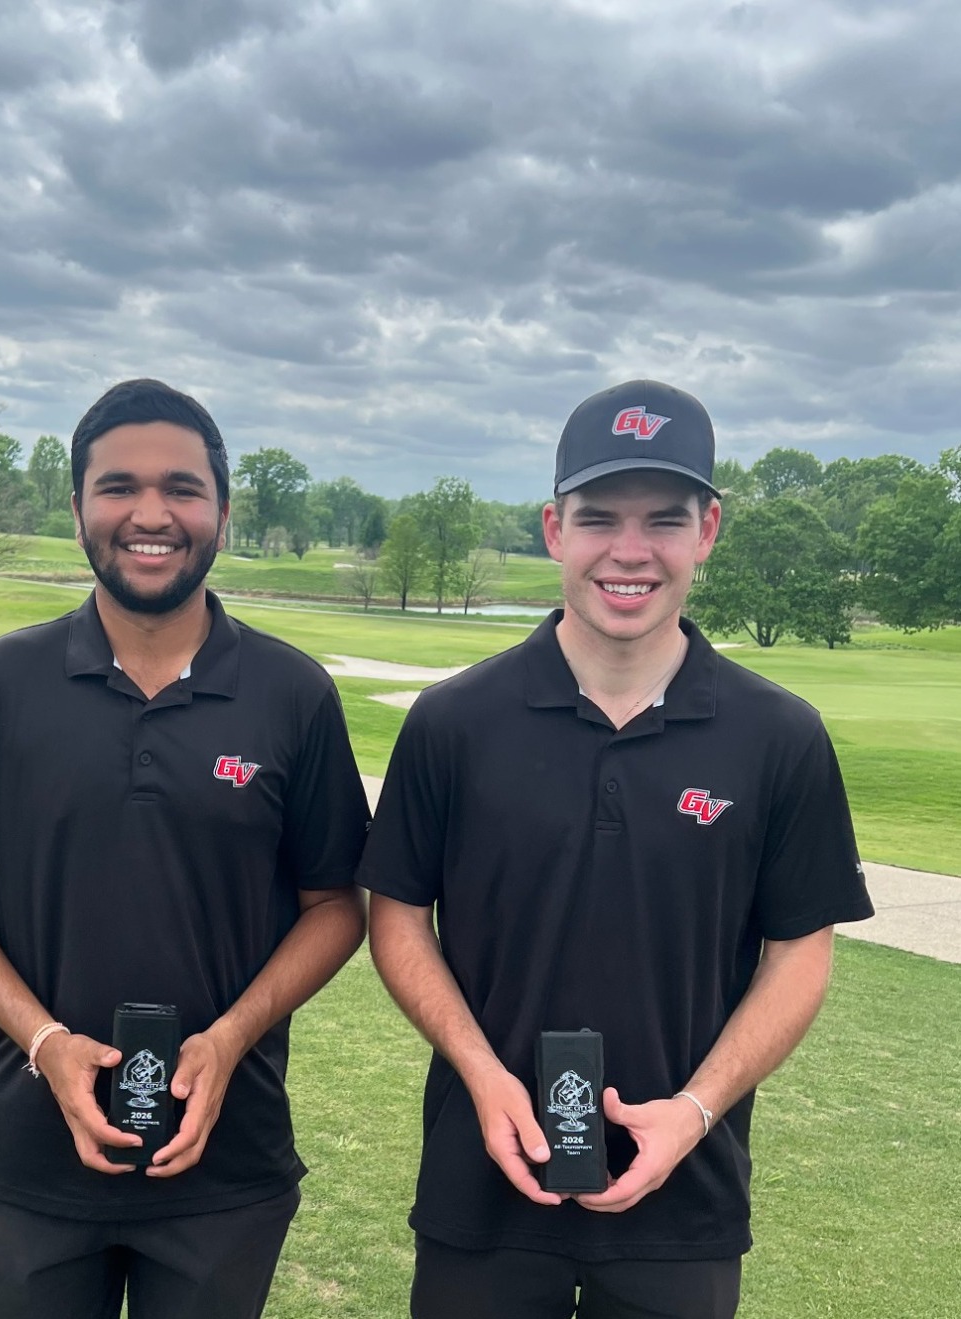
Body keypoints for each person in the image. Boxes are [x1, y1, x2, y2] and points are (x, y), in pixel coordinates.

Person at [361, 379, 874, 1319]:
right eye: (598, 517)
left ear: (707, 529)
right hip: (483, 1191)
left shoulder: (779, 735)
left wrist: (695, 1108)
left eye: (663, 520)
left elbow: (799, 948)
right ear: (554, 528)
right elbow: (395, 912)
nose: (629, 552)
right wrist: (481, 1072)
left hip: (684, 1198)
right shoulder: (453, 722)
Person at [0, 378, 370, 1319]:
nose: (150, 514)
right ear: (77, 507)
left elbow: (336, 909)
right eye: (117, 486)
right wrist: (45, 1041)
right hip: (29, 1157)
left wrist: (230, 1039)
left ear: (222, 514)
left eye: (182, 489)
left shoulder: (293, 695)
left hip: (224, 1162)